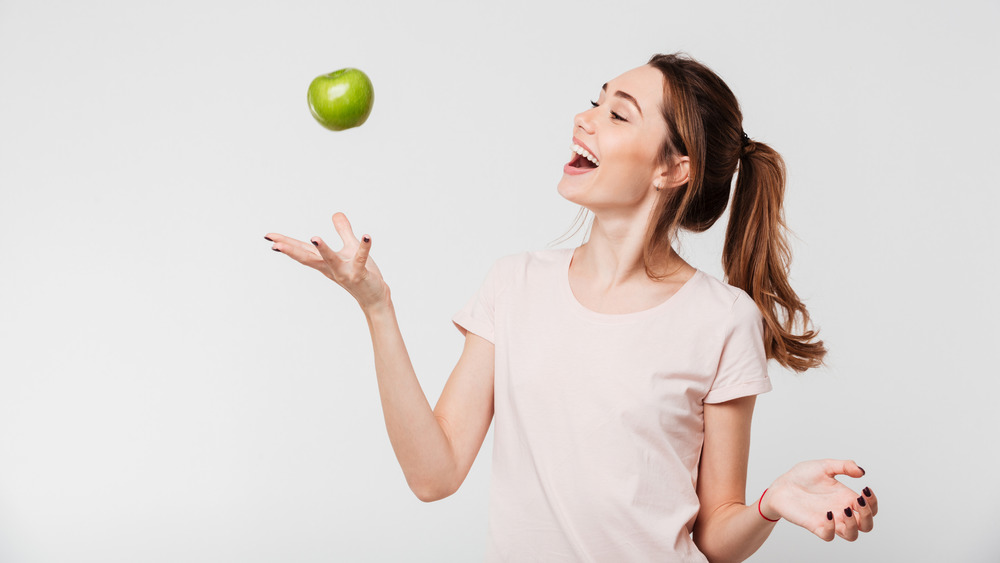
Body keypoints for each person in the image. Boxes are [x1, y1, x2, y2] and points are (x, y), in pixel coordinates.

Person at [264, 52, 879, 562]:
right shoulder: (515, 284)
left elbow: (716, 535)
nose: (582, 119)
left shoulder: (722, 319)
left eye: (617, 114)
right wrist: (376, 306)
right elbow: (435, 474)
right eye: (596, 99)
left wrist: (769, 502)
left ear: (673, 167)